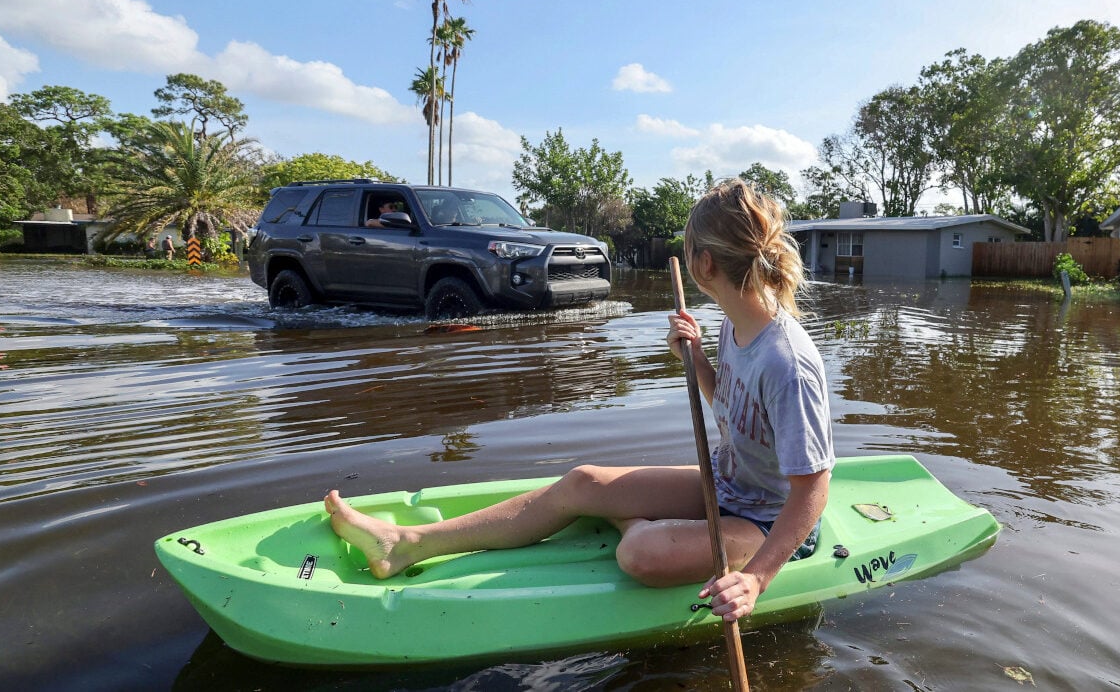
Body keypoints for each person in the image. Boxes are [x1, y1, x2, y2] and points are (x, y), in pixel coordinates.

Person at [324, 179, 834, 622]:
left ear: (703, 263)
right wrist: (697, 357)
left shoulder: (787, 361)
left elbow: (812, 489)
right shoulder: (732, 323)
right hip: (724, 484)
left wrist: (758, 579)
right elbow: (733, 408)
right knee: (584, 481)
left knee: (640, 553)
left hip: (766, 520)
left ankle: (650, 527)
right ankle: (408, 544)